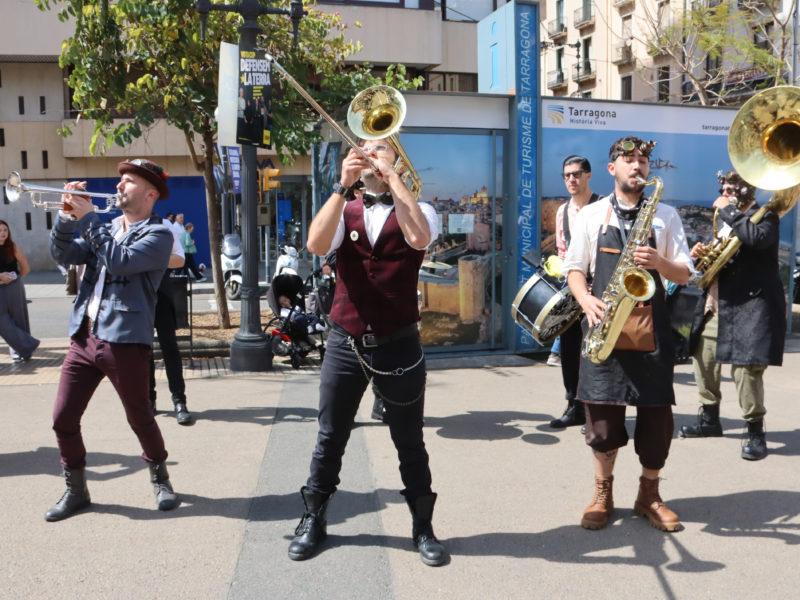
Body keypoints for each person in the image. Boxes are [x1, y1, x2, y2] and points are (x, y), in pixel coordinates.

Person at [288, 139, 445, 566]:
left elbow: (418, 238)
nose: (373, 155)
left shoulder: (420, 208)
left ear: (398, 158)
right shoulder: (346, 208)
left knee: (409, 440)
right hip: (345, 341)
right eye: (367, 148)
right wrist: (342, 185)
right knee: (329, 436)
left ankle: (423, 527)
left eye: (383, 149)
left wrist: (392, 177)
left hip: (399, 342)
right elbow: (316, 246)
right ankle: (313, 520)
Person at [563, 136, 693, 532]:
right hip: (604, 328)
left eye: (642, 160)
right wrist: (585, 300)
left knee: (656, 421)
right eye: (628, 159)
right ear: (611, 169)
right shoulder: (590, 214)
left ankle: (649, 494)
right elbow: (574, 269)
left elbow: (685, 272)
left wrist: (660, 262)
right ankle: (603, 492)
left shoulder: (665, 215)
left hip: (651, 331)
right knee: (601, 421)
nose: (637, 166)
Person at [46, 158, 179, 522]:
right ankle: (76, 489)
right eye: (120, 180)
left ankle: (160, 477)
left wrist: (88, 220)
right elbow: (63, 254)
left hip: (124, 340)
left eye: (130, 181)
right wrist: (65, 219)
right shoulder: (104, 227)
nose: (119, 186)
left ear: (151, 194)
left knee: (140, 417)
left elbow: (119, 261)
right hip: (85, 336)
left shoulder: (159, 233)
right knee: (62, 418)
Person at [679, 170, 785, 461]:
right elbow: (717, 262)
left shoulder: (766, 217)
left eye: (732, 187)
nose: (725, 190)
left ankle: (754, 432)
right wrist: (701, 256)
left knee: (745, 370)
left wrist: (728, 212)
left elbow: (756, 240)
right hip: (717, 304)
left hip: (750, 306)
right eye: (723, 186)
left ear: (747, 190)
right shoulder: (727, 222)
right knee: (704, 358)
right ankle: (709, 420)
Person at [549, 155, 599, 429]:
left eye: (577, 174)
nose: (572, 179)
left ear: (588, 175)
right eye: (567, 175)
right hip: (572, 289)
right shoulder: (562, 211)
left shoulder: (603, 206)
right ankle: (574, 405)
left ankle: (594, 409)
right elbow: (563, 251)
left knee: (593, 352)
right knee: (569, 349)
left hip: (599, 289)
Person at [150, 214, 193, 426]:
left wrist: (148, 260)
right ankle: (148, 399)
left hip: (161, 296)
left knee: (170, 348)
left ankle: (179, 401)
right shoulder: (120, 224)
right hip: (136, 299)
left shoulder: (163, 224)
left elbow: (179, 258)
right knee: (141, 350)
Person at [0, 219, 40, 361]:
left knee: (19, 319)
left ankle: (22, 352)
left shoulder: (14, 247)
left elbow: (25, 268)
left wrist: (14, 279)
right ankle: (29, 345)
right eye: (0, 231)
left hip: (14, 287)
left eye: (5, 230)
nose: (3, 233)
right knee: (2, 320)